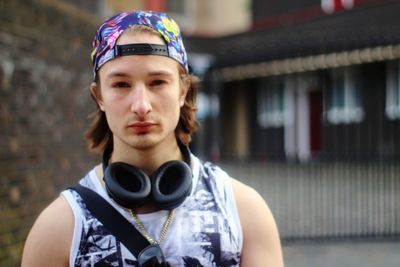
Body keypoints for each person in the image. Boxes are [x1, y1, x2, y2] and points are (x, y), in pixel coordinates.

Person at [21, 10, 284, 267]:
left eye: (157, 82)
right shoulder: (59, 228)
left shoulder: (243, 211)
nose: (141, 105)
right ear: (99, 96)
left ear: (183, 90)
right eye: (121, 85)